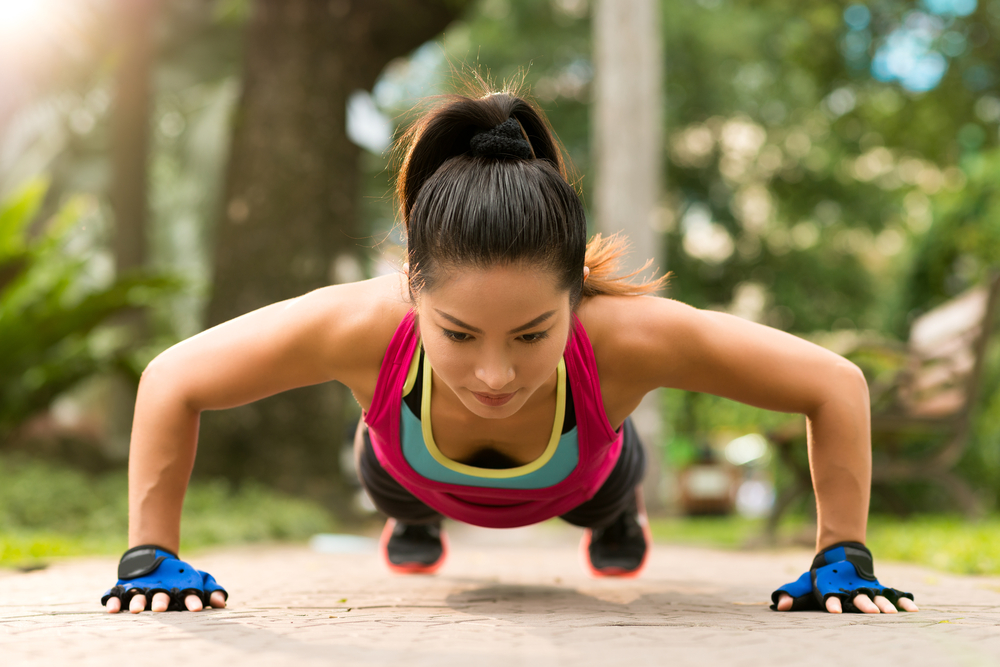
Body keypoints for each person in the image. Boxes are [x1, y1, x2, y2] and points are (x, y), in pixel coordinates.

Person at [102, 86, 918, 616]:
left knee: (607, 488)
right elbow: (172, 377)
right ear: (412, 290)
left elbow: (834, 383)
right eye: (457, 333)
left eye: (534, 334)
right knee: (390, 476)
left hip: (583, 476)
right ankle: (414, 518)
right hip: (407, 470)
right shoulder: (358, 326)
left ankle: (614, 518)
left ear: (576, 299)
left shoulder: (628, 336)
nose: (495, 374)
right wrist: (152, 554)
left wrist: (841, 554)